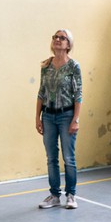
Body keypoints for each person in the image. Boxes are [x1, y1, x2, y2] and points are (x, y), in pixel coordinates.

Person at [35, 29, 83, 210]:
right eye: (55, 37)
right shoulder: (46, 66)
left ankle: (71, 195)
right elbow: (41, 93)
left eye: (62, 38)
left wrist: (75, 119)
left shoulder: (73, 66)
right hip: (48, 116)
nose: (57, 40)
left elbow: (78, 94)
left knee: (69, 157)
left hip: (66, 115)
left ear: (68, 44)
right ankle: (54, 195)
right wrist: (37, 117)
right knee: (51, 158)